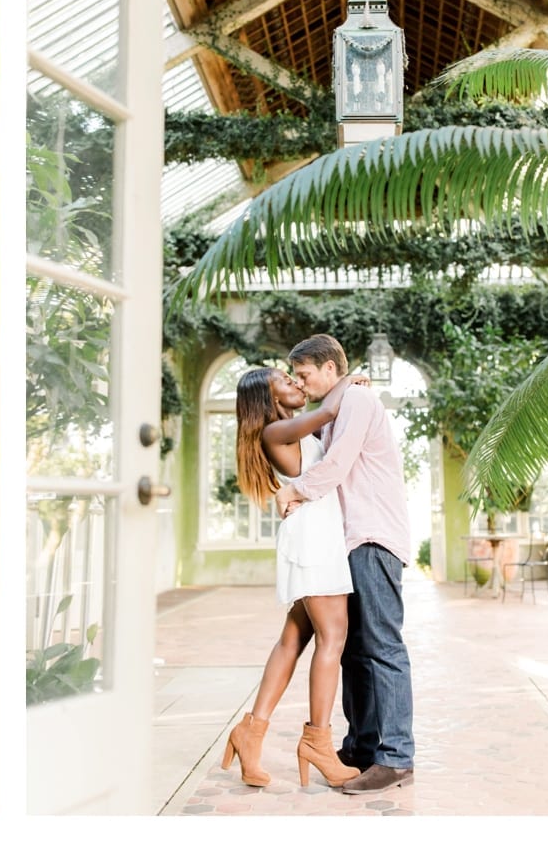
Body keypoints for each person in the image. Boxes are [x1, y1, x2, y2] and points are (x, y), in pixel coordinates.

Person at [277, 333, 414, 795]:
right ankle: (360, 748)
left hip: (374, 537)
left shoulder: (356, 399)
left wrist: (293, 491)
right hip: (349, 541)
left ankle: (396, 757)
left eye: (305, 373)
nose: (301, 381)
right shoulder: (341, 403)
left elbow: (334, 466)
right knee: (355, 649)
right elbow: (308, 441)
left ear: (330, 367)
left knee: (382, 646)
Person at [221, 367, 366, 790]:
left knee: (293, 639)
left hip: (313, 533)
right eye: (287, 380)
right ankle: (318, 742)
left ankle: (251, 731)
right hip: (315, 539)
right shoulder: (275, 431)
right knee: (333, 637)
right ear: (268, 398)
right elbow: (329, 410)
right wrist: (351, 377)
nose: (297, 384)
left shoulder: (282, 430)